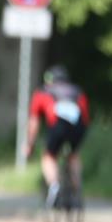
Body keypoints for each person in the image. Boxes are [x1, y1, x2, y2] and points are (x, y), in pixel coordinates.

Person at [24, 65, 90, 208]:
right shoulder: (77, 91)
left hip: (57, 126)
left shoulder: (43, 92)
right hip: (79, 127)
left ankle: (54, 186)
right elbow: (85, 117)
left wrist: (30, 145)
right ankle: (76, 189)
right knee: (73, 155)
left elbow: (34, 122)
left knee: (49, 156)